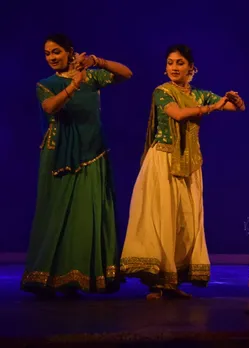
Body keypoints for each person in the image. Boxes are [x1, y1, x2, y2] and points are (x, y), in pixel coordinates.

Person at [120, 44, 246, 300]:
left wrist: (234, 101)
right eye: (170, 63)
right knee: (162, 217)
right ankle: (156, 282)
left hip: (189, 162)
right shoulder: (162, 92)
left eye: (179, 63)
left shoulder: (198, 94)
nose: (174, 68)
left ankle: (172, 281)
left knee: (184, 220)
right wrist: (212, 107)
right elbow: (177, 114)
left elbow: (235, 109)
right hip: (164, 160)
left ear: (191, 68)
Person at [21, 33, 133, 298]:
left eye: (57, 52)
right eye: (48, 54)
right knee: (57, 214)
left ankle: (81, 278)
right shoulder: (46, 83)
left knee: (87, 214)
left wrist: (96, 60)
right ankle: (48, 277)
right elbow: (50, 107)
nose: (52, 58)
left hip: (93, 150)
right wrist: (73, 85)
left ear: (71, 52)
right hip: (59, 154)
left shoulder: (92, 78)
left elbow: (126, 74)